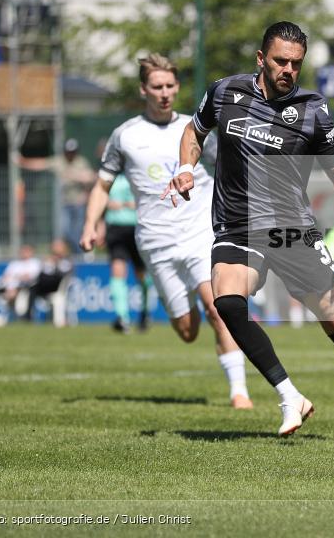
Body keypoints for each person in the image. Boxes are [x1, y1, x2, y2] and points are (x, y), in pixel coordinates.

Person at [163, 21, 334, 441]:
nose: (289, 70)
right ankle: (289, 395)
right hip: (237, 224)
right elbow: (194, 130)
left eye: (297, 64)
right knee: (227, 300)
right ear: (261, 58)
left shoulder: (313, 109)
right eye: (281, 61)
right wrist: (186, 167)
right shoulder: (225, 91)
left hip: (291, 229)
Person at [80, 53, 253, 410]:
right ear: (143, 89)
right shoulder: (125, 136)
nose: (164, 93)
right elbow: (102, 186)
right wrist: (90, 224)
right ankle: (173, 301)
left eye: (170, 86)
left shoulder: (193, 128)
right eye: (157, 87)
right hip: (156, 243)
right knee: (188, 332)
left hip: (201, 233)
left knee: (218, 307)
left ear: (177, 88)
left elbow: (229, 168)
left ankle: (239, 392)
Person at [19, 139, 97, 255]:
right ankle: (80, 253)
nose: (70, 154)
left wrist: (74, 176)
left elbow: (91, 177)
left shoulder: (81, 163)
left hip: (79, 203)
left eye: (73, 152)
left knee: (78, 230)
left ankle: (83, 254)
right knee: (65, 231)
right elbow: (41, 164)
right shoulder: (59, 162)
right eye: (68, 152)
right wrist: (23, 161)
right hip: (65, 203)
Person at [104, 174, 152, 333]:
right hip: (115, 228)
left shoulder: (139, 172)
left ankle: (144, 312)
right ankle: (122, 317)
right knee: (118, 269)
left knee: (142, 275)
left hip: (137, 228)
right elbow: (100, 197)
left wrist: (139, 204)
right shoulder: (110, 175)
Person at [0, 244, 41, 327]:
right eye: (23, 251)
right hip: (5, 286)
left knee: (11, 293)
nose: (24, 253)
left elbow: (29, 278)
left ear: (32, 252)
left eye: (27, 251)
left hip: (21, 289)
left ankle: (3, 318)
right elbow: (5, 277)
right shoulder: (14, 264)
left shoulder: (35, 263)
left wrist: (15, 278)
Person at [24, 238, 74, 324]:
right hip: (42, 286)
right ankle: (28, 317)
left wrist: (56, 263)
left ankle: (60, 321)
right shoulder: (47, 259)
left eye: (58, 246)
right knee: (31, 289)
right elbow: (40, 272)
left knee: (56, 296)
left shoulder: (67, 260)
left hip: (56, 287)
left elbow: (64, 273)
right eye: (54, 246)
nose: (56, 248)